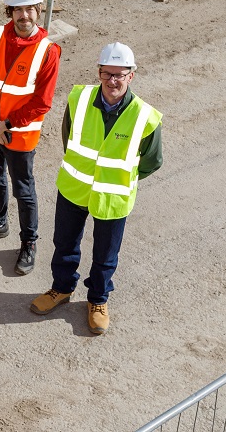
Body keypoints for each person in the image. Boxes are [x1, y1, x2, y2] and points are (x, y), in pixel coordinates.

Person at [30, 42, 163, 336]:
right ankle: (61, 288)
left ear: (131, 76)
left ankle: (98, 300)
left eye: (120, 75)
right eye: (107, 74)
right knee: (64, 244)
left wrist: (117, 178)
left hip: (113, 197)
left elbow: (152, 161)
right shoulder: (78, 99)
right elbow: (69, 139)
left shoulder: (145, 117)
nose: (112, 81)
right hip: (73, 188)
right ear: (99, 73)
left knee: (105, 255)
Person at [0, 0, 62, 276]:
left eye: (30, 9)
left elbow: (41, 102)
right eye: (18, 10)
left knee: (24, 190)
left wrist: (5, 124)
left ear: (39, 10)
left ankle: (29, 241)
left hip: (20, 136)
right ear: (9, 11)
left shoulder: (48, 51)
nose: (25, 16)